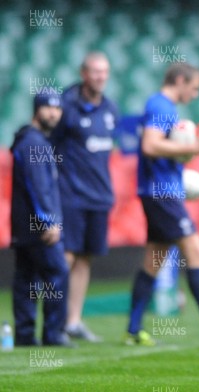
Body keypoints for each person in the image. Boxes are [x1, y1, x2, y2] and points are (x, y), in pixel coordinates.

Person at [124, 62, 199, 346]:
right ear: (181, 80)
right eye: (194, 88)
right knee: (195, 248)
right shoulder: (161, 106)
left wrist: (184, 157)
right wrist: (191, 149)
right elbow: (150, 145)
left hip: (160, 190)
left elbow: (159, 149)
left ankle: (133, 329)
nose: (195, 94)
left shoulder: (164, 107)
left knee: (154, 259)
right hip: (161, 193)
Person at [52, 52, 119, 342]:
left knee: (84, 260)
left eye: (104, 71)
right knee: (64, 259)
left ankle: (73, 321)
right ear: (83, 73)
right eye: (95, 71)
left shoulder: (110, 108)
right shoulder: (66, 106)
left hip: (99, 197)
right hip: (70, 197)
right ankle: (53, 324)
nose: (100, 76)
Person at [10, 92, 72, 347]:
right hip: (38, 226)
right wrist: (49, 222)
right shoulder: (34, 143)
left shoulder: (28, 140)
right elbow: (38, 187)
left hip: (23, 224)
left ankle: (25, 334)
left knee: (27, 277)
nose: (53, 113)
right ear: (37, 110)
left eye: (57, 109)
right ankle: (53, 333)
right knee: (57, 272)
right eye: (48, 108)